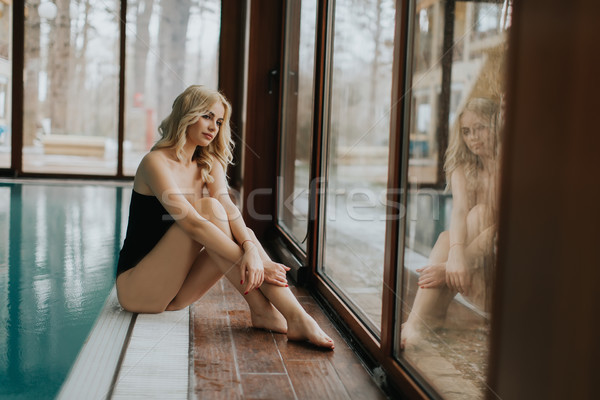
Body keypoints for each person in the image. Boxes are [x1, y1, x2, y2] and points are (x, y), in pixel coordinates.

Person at [116, 85, 334, 349]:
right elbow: (194, 225)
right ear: (187, 114)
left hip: (176, 293)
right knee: (207, 210)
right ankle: (294, 317)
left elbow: (229, 210)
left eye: (219, 121)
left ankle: (274, 312)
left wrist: (251, 249)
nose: (213, 127)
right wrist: (259, 266)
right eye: (207, 116)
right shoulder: (155, 163)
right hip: (138, 288)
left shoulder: (208, 162)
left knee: (224, 216)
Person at [401, 97, 501, 349]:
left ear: (496, 124)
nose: (473, 137)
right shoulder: (463, 164)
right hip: (473, 265)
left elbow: (503, 228)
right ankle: (419, 322)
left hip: (498, 266)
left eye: (480, 128)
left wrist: (447, 268)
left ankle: (421, 321)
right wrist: (455, 253)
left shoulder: (509, 164)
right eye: (466, 131)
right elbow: (458, 211)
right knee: (449, 237)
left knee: (482, 213)